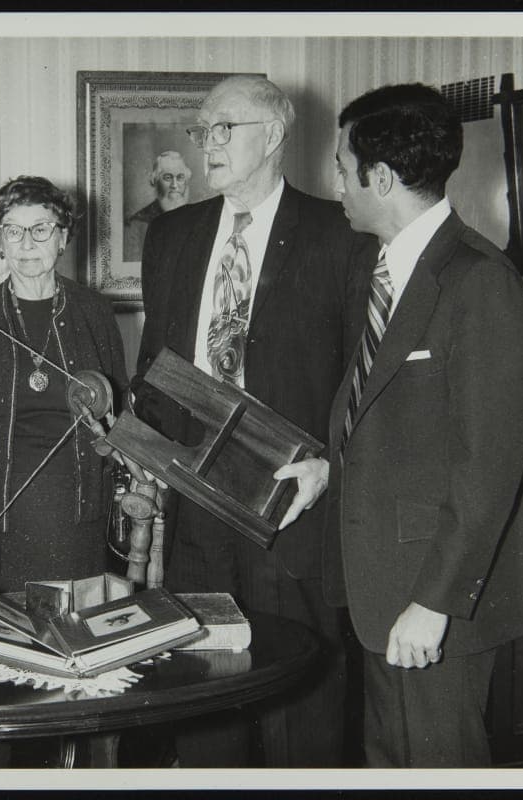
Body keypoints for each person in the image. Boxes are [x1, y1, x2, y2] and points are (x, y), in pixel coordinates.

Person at [282, 82, 523, 767]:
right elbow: (392, 417)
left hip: (436, 600)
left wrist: (434, 602)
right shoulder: (382, 269)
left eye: (344, 170)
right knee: (391, 764)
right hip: (382, 586)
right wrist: (330, 467)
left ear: (380, 179)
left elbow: (488, 465)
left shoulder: (478, 282)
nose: (338, 185)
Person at [130, 74, 375, 767]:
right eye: (201, 130)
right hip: (196, 502)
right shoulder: (171, 236)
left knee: (307, 703)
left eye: (222, 130)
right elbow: (157, 364)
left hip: (292, 506)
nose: (206, 144)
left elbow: (364, 380)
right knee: (204, 696)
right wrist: (141, 449)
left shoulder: (340, 234)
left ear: (272, 136)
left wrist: (330, 463)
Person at [0, 176, 128, 593]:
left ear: (62, 237)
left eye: (41, 229)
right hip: (3, 509)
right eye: (13, 231)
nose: (27, 244)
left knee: (79, 628)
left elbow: (121, 412)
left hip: (79, 505)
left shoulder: (95, 312)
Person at [123, 150, 193, 262]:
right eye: (168, 178)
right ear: (155, 181)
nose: (175, 186)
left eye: (180, 177)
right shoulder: (136, 226)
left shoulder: (198, 220)